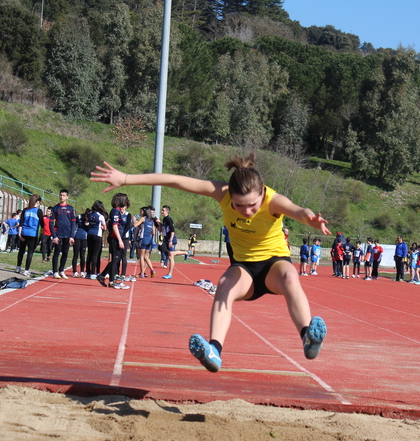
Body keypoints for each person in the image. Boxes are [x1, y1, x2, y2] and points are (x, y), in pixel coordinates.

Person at [91, 154, 330, 373]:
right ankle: (214, 350)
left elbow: (299, 211)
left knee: (290, 276)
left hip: (274, 264)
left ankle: (307, 336)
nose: (246, 211)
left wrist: (311, 219)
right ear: (231, 198)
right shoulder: (222, 192)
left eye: (252, 205)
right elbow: (176, 180)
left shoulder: (273, 200)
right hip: (244, 268)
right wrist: (125, 178)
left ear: (262, 194)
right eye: (239, 206)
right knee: (224, 284)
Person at [98, 193, 131, 289]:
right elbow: (115, 226)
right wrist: (120, 240)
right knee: (116, 259)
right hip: (115, 237)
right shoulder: (115, 211)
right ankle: (111, 281)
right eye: (124, 200)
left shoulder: (117, 211)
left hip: (115, 237)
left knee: (116, 259)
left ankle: (102, 275)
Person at [49, 189, 76, 279]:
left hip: (67, 235)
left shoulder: (71, 209)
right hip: (58, 234)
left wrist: (72, 236)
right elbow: (51, 223)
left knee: (65, 253)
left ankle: (61, 270)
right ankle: (55, 271)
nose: (62, 197)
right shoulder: (55, 208)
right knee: (57, 252)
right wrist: (54, 236)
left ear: (67, 197)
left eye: (64, 195)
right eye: (60, 195)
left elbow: (73, 223)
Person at [160, 205, 191, 279]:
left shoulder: (169, 219)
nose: (162, 211)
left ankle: (170, 274)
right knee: (171, 254)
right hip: (167, 239)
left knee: (171, 256)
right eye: (162, 210)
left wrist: (170, 240)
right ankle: (186, 252)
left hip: (171, 239)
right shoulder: (164, 220)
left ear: (167, 212)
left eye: (163, 210)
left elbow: (172, 231)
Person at [16, 194, 43, 277]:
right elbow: (42, 224)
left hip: (24, 232)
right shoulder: (39, 211)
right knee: (30, 252)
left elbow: (21, 222)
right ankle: (26, 270)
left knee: (21, 250)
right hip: (32, 234)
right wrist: (41, 235)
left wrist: (19, 234)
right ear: (38, 202)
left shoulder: (25, 210)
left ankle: (18, 267)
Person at [85, 200, 106, 279]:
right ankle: (93, 272)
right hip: (97, 235)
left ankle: (88, 272)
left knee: (89, 253)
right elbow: (105, 227)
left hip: (89, 234)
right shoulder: (100, 216)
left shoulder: (89, 214)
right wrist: (101, 227)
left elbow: (88, 222)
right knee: (95, 254)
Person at [71, 208, 89, 277]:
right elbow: (74, 226)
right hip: (77, 237)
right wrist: (73, 237)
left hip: (84, 238)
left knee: (82, 255)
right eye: (86, 216)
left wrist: (88, 224)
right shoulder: (79, 217)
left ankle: (82, 271)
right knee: (75, 254)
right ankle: (75, 271)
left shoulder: (90, 220)